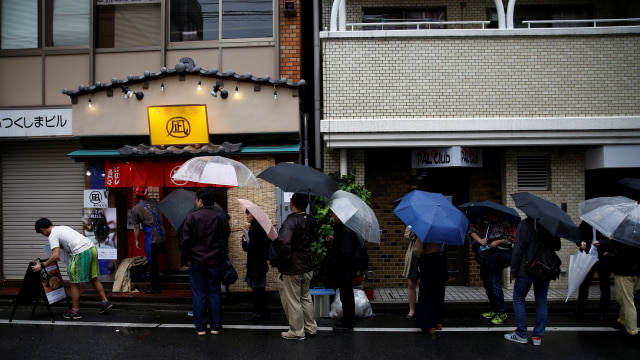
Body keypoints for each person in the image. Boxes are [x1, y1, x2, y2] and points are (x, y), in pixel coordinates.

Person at [33, 218, 113, 320]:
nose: (43, 235)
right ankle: (105, 302)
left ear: (43, 229)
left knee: (74, 282)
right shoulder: (61, 227)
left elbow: (56, 255)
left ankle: (75, 311)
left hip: (81, 252)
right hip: (91, 249)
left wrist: (42, 265)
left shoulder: (52, 235)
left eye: (41, 233)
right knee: (93, 278)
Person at [181, 187, 230, 336]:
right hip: (215, 261)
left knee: (199, 293)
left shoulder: (191, 217)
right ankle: (215, 326)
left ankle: (201, 327)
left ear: (200, 201)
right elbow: (225, 236)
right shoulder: (221, 216)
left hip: (196, 262)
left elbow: (185, 242)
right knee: (214, 292)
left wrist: (185, 259)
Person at [505, 217, 560, 346]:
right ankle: (537, 337)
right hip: (544, 268)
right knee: (541, 302)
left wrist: (513, 272)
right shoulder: (550, 224)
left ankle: (521, 334)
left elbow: (518, 249)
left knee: (518, 299)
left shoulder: (524, 225)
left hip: (526, 269)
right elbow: (557, 246)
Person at [275, 193, 318, 340]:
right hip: (307, 264)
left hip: (292, 267)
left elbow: (283, 243)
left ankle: (297, 331)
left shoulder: (291, 221)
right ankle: (311, 327)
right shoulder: (311, 220)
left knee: (293, 300)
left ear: (292, 202)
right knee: (305, 297)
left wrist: (283, 259)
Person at [469, 209, 516, 325]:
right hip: (486, 257)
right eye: (491, 216)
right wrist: (480, 240)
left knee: (495, 283)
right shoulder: (484, 221)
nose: (492, 218)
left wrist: (498, 242)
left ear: (500, 215)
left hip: (498, 258)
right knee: (487, 283)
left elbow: (512, 238)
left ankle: (501, 312)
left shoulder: (507, 223)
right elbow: (472, 232)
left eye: (495, 217)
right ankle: (494, 308)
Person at [326, 212, 360, 332]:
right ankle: (347, 322)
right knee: (346, 294)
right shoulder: (346, 227)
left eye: (335, 214)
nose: (333, 216)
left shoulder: (344, 229)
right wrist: (334, 241)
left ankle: (347, 324)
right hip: (346, 267)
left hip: (345, 267)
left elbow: (345, 251)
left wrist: (335, 263)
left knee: (346, 295)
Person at [572, 221, 613, 319]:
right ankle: (580, 309)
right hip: (588, 257)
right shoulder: (585, 223)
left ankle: (602, 312)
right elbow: (578, 236)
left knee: (604, 285)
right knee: (584, 284)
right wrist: (580, 243)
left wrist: (601, 242)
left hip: (603, 258)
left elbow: (614, 241)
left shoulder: (607, 224)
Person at [131, 186, 166, 294]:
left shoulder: (136, 209)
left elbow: (136, 227)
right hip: (161, 234)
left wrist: (136, 240)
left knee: (153, 262)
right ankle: (156, 284)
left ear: (136, 196)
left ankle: (155, 287)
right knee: (156, 261)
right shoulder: (155, 202)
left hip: (151, 237)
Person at [603, 240, 640, 336]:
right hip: (636, 273)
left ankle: (632, 329)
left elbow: (621, 255)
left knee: (627, 301)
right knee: (624, 298)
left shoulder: (625, 240)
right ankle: (622, 319)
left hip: (625, 273)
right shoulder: (636, 237)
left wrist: (608, 255)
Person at [241, 208, 271, 321]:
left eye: (248, 213)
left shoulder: (255, 230)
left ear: (253, 215)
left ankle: (259, 313)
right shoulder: (259, 229)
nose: (246, 216)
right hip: (259, 263)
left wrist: (244, 242)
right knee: (260, 290)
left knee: (258, 290)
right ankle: (263, 312)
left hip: (256, 264)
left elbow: (250, 248)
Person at [414, 239, 448, 334]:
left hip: (429, 261)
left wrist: (420, 256)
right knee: (439, 292)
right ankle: (438, 322)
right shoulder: (443, 233)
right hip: (441, 261)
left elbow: (417, 249)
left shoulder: (426, 234)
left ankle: (429, 324)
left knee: (427, 293)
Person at [402, 226, 420, 320]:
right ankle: (411, 310)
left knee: (427, 285)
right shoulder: (414, 221)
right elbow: (406, 235)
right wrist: (414, 232)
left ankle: (424, 310)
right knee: (411, 283)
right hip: (415, 254)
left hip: (428, 254)